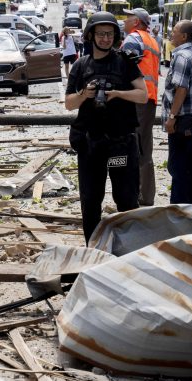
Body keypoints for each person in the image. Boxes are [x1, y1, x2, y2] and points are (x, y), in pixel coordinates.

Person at [65, 12, 148, 242]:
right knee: (90, 201)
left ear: (116, 36)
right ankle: (92, 248)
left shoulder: (125, 62)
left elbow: (143, 95)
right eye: (100, 34)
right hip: (91, 146)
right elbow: (69, 104)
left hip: (120, 145)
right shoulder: (81, 66)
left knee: (126, 199)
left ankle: (129, 249)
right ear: (91, 35)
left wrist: (118, 94)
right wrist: (85, 94)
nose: (105, 39)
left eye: (109, 34)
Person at [162, 20, 192, 204]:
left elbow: (181, 89)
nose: (171, 34)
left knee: (179, 170)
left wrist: (172, 117)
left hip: (183, 123)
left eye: (174, 31)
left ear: (183, 36)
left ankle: (179, 213)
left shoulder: (182, 56)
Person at [121, 7, 161, 206]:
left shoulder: (133, 39)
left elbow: (124, 67)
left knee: (132, 147)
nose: (124, 21)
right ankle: (146, 196)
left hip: (136, 100)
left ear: (136, 22)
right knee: (145, 149)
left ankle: (133, 196)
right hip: (149, 100)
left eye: (128, 18)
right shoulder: (152, 40)